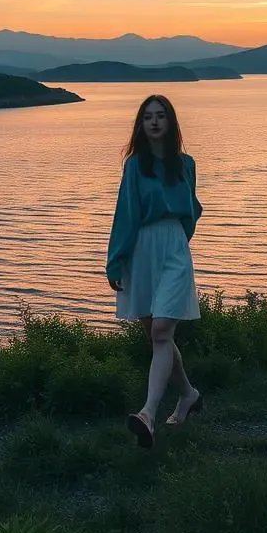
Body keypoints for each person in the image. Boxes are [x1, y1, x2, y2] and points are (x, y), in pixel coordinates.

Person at [106, 93, 204, 448]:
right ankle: (189, 395)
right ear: (141, 124)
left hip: (174, 246)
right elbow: (125, 214)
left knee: (162, 329)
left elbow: (192, 210)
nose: (155, 121)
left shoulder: (186, 164)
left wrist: (177, 241)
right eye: (148, 117)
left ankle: (147, 414)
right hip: (141, 249)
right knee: (156, 335)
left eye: (161, 115)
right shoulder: (135, 165)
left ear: (171, 122)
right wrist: (116, 260)